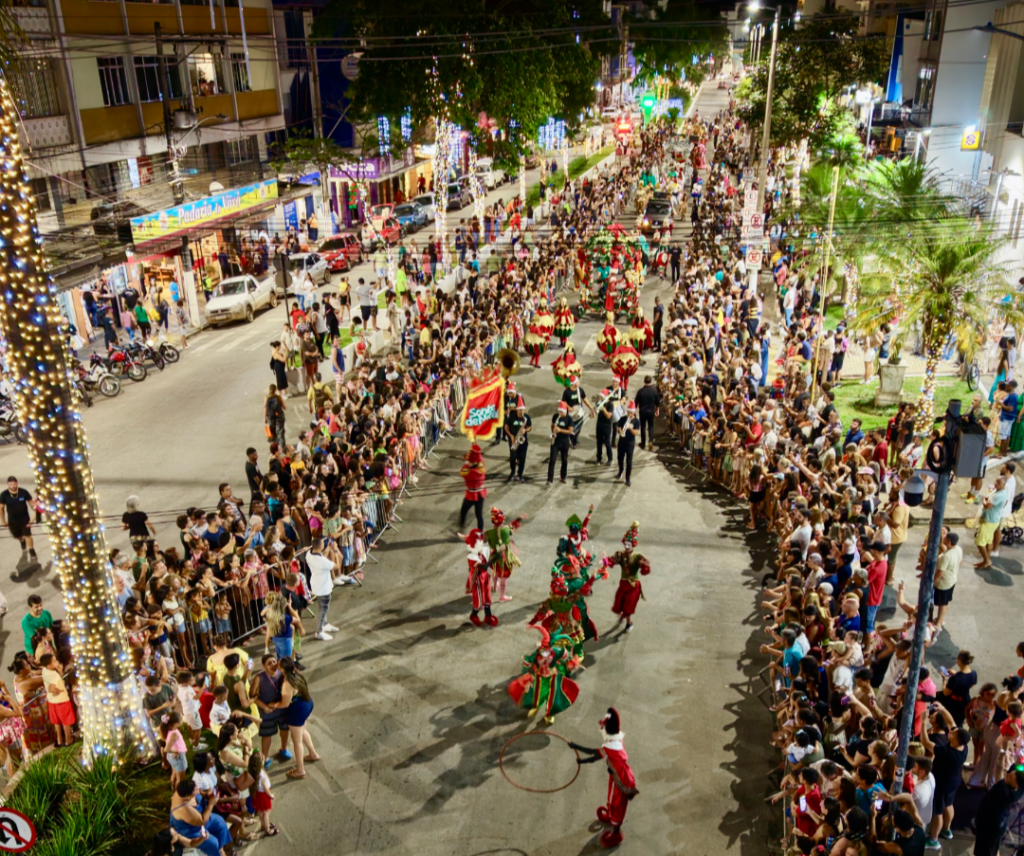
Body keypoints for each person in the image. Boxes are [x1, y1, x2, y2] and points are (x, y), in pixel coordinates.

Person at [569, 708, 639, 848]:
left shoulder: (610, 747)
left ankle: (616, 832)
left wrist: (576, 749)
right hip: (617, 776)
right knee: (613, 800)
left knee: (618, 804)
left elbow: (594, 755)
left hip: (622, 781)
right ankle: (612, 818)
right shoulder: (618, 740)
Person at [279, 656, 320, 779]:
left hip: (297, 712)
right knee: (303, 731)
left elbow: (284, 704)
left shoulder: (287, 683)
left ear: (282, 669)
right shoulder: (297, 675)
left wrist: (271, 705)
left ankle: (300, 770)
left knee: (297, 741)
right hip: (307, 704)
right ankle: (313, 754)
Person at [973, 763, 1024, 856]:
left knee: (986, 852)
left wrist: (1002, 753)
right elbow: (1016, 766)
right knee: (993, 850)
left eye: (1013, 775)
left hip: (990, 828)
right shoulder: (1016, 787)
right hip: (994, 825)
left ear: (1016, 785)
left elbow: (999, 770)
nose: (1010, 773)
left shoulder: (1005, 793)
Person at [306, 538, 340, 641]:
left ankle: (324, 624)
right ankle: (319, 631)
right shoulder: (322, 561)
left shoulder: (309, 554)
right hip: (323, 588)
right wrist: (335, 550)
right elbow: (337, 566)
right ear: (321, 546)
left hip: (317, 584)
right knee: (323, 609)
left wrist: (328, 547)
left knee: (323, 608)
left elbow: (322, 556)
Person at [39, 652, 74, 746]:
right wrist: (57, 690)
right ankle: (68, 740)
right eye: (54, 661)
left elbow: (59, 679)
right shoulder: (53, 675)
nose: (57, 662)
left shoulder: (45, 670)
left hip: (52, 701)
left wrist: (60, 670)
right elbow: (51, 688)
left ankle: (59, 740)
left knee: (57, 721)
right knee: (66, 721)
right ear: (49, 665)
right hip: (61, 701)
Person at [0, 475, 36, 562]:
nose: (13, 486)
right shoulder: (4, 495)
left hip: (24, 518)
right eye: (10, 484)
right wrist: (3, 521)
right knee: (17, 535)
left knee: (28, 535)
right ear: (8, 484)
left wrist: (33, 516)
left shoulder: (23, 492)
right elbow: (1, 508)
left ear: (17, 483)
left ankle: (31, 550)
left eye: (14, 484)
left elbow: (32, 504)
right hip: (12, 520)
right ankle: (21, 540)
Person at [459, 444, 487, 531]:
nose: (467, 462)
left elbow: (462, 473)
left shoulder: (470, 472)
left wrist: (466, 464)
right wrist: (476, 453)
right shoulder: (481, 467)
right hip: (481, 494)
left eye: (469, 461)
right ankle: (480, 532)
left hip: (471, 495)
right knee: (479, 515)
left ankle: (461, 525)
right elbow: (480, 458)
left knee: (464, 510)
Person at [504, 399, 532, 482]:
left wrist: (525, 430)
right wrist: (511, 436)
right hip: (513, 440)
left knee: (522, 458)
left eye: (523, 410)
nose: (521, 412)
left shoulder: (526, 417)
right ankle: (512, 472)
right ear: (517, 410)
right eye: (520, 410)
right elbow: (506, 427)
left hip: (523, 441)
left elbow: (530, 427)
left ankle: (520, 474)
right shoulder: (512, 417)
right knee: (512, 458)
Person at [616, 401, 640, 486]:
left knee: (629, 462)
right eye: (628, 412)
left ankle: (627, 478)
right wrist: (620, 431)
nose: (630, 414)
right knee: (620, 458)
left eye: (631, 412)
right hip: (622, 442)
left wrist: (630, 428)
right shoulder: (623, 418)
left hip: (630, 444)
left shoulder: (636, 421)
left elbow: (635, 433)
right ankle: (620, 471)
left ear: (634, 412)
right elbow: (619, 427)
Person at [634, 375, 660, 450]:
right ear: (650, 381)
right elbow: (657, 402)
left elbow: (636, 402)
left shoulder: (640, 391)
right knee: (651, 426)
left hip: (642, 411)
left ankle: (643, 443)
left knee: (643, 426)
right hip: (651, 411)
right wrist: (657, 410)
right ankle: (650, 441)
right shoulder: (654, 391)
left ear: (644, 381)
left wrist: (634, 411)